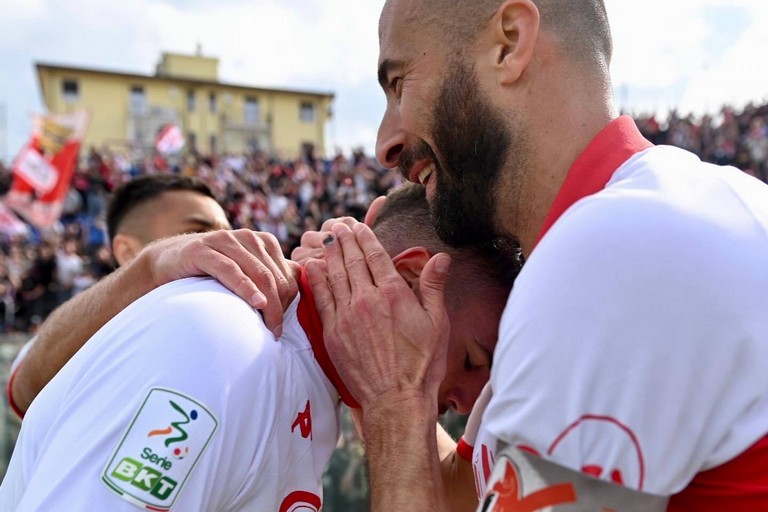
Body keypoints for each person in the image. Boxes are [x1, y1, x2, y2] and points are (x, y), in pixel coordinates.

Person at [303, 0, 768, 510]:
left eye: (398, 84)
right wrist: (363, 321)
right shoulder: (659, 212)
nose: (385, 144)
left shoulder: (610, 256)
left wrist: (392, 400)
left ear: (509, 42)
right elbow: (459, 490)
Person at [0, 184, 520, 510]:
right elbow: (22, 389)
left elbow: (454, 491)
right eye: (475, 359)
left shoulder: (312, 376)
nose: (471, 402)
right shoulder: (219, 345)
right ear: (408, 279)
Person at [7, 174, 296, 416]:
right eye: (196, 231)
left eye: (226, 231)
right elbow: (23, 390)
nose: (223, 242)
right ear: (126, 251)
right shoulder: (86, 324)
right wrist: (148, 267)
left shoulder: (250, 318)